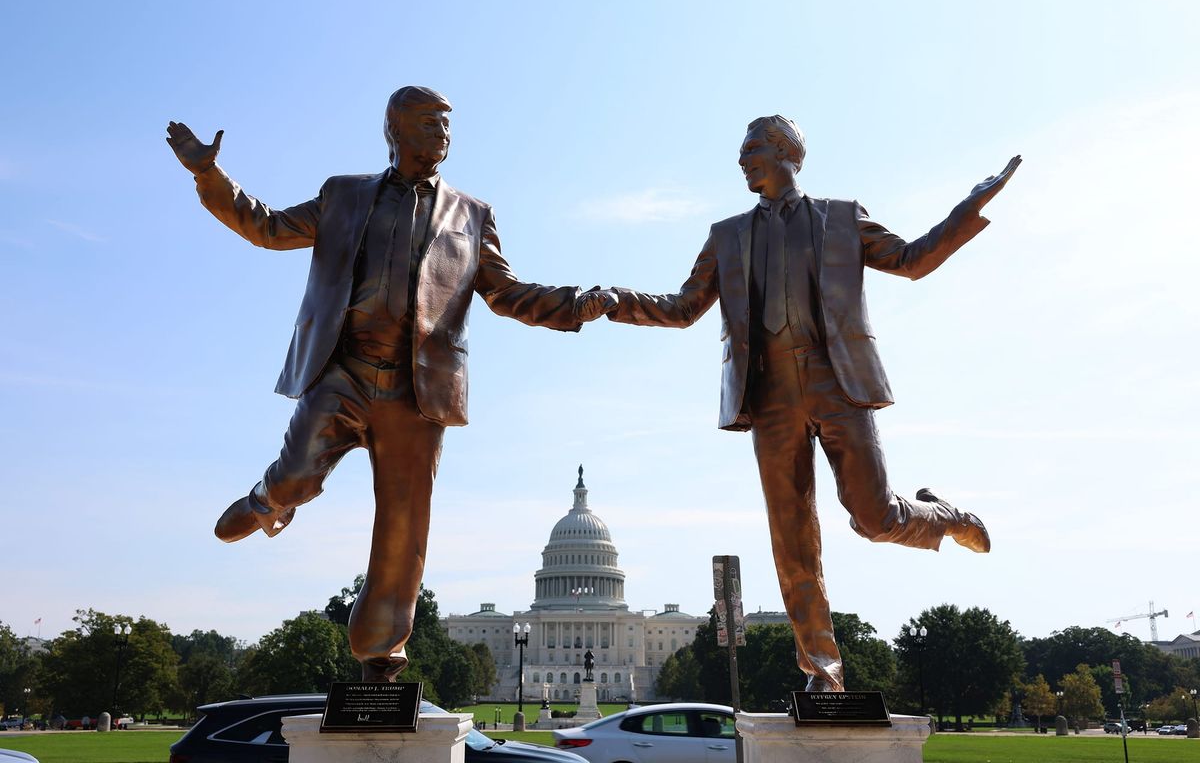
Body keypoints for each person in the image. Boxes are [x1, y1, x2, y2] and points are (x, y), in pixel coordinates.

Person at [578, 115, 1020, 691]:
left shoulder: (840, 217)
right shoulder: (727, 235)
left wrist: (969, 208)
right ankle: (823, 665)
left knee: (874, 517)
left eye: (752, 149)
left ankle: (946, 515)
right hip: (770, 396)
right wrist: (618, 300)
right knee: (791, 534)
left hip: (838, 381)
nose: (742, 161)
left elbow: (912, 260)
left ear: (789, 152)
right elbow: (685, 306)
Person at [166, 86, 584, 682]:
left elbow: (508, 294)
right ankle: (270, 500)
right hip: (345, 370)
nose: (443, 134)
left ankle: (380, 653)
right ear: (395, 130)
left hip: (418, 392)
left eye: (447, 125)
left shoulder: (472, 213)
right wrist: (210, 174)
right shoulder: (345, 195)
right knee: (297, 471)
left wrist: (579, 305)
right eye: (430, 124)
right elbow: (266, 227)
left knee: (403, 526)